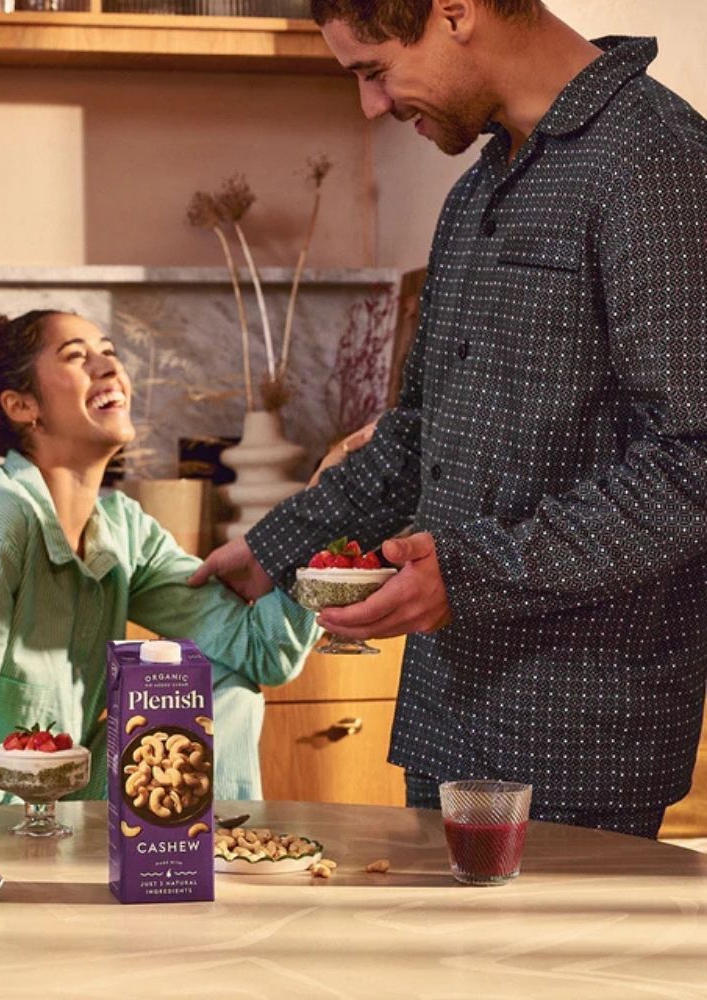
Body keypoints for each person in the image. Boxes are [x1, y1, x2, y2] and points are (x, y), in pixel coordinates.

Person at [190, 0, 707, 837]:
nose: (372, 105)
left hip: (579, 731)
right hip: (447, 714)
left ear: (456, 13)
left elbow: (694, 462)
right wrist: (272, 550)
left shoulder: (656, 162)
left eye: (374, 70)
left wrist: (467, 575)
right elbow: (420, 428)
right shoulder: (477, 190)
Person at [0, 310, 317, 815]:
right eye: (76, 356)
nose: (108, 366)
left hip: (54, 796)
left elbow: (261, 653)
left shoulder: (123, 530)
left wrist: (314, 521)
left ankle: (212, 854)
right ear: (23, 406)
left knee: (222, 682)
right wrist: (36, 840)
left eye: (109, 352)